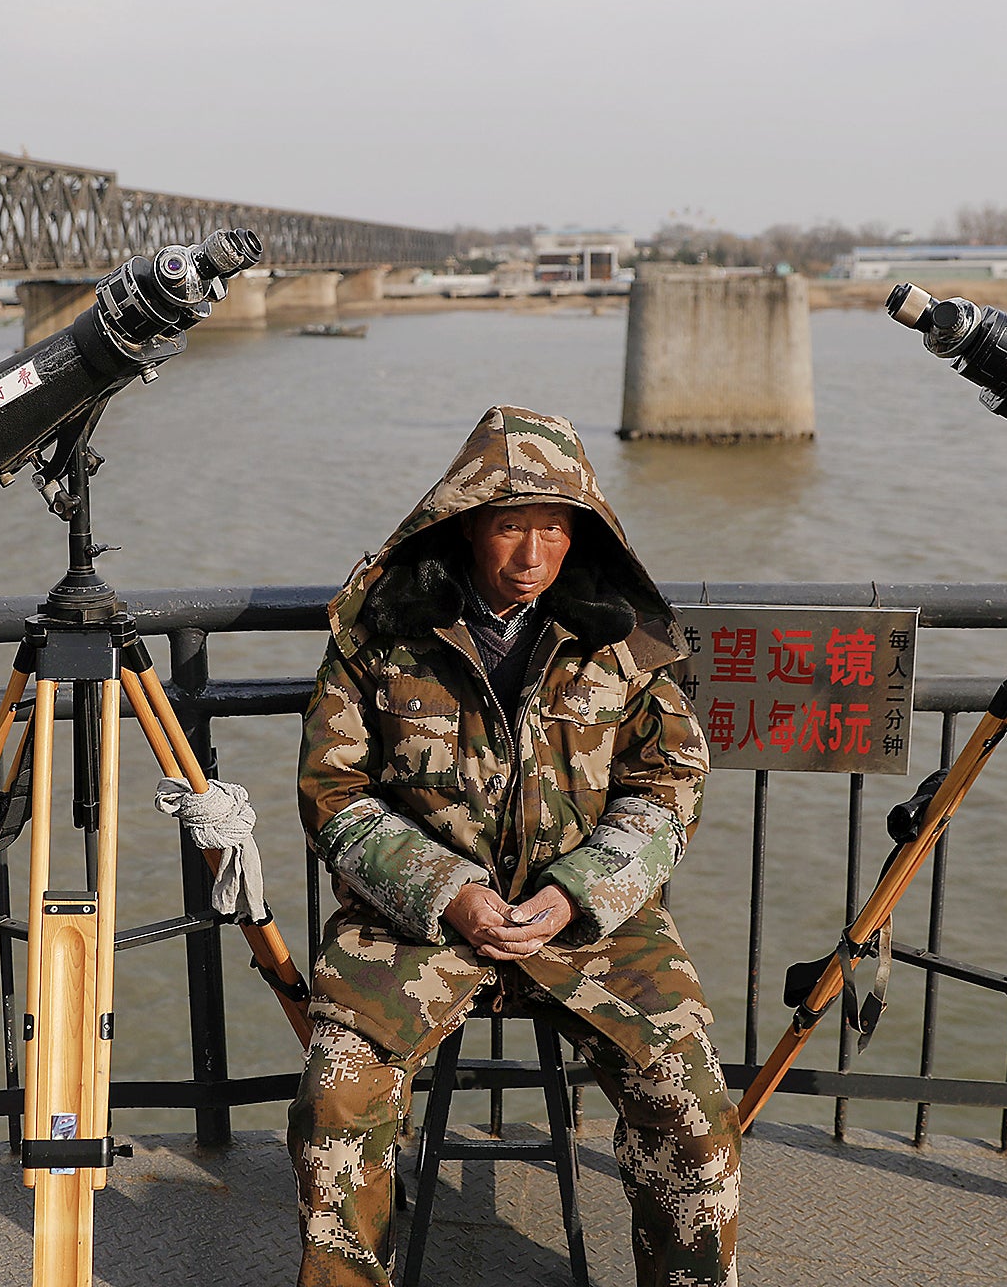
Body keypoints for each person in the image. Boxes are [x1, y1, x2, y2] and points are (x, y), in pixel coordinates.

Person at [289, 405, 739, 1287]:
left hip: (594, 927)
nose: (532, 556)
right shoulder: (381, 633)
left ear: (580, 533)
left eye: (552, 528)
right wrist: (448, 890)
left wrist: (577, 893)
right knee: (335, 1100)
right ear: (464, 528)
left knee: (692, 1105)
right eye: (508, 527)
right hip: (411, 926)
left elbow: (670, 786)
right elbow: (333, 793)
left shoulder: (621, 639)